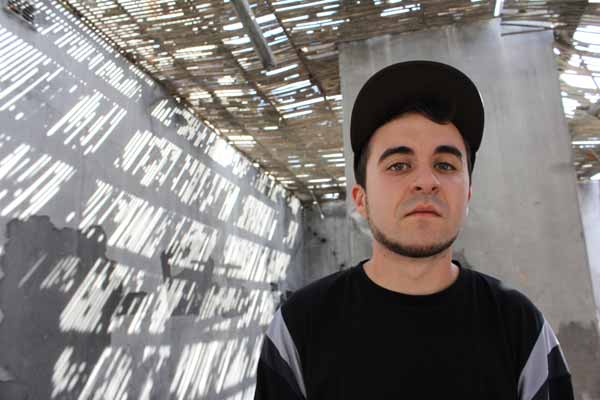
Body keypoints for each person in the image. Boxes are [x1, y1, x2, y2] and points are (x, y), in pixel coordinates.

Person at [253, 61, 574, 399]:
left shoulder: (522, 328)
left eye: (445, 165)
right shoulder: (298, 329)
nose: (426, 181)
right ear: (361, 200)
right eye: (399, 165)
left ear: (467, 195)